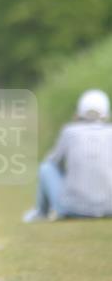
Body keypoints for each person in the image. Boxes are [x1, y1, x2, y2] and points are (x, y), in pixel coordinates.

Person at [23, 89, 112, 222]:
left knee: (45, 167)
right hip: (109, 209)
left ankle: (41, 213)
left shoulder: (70, 131)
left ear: (80, 110)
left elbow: (52, 162)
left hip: (72, 209)